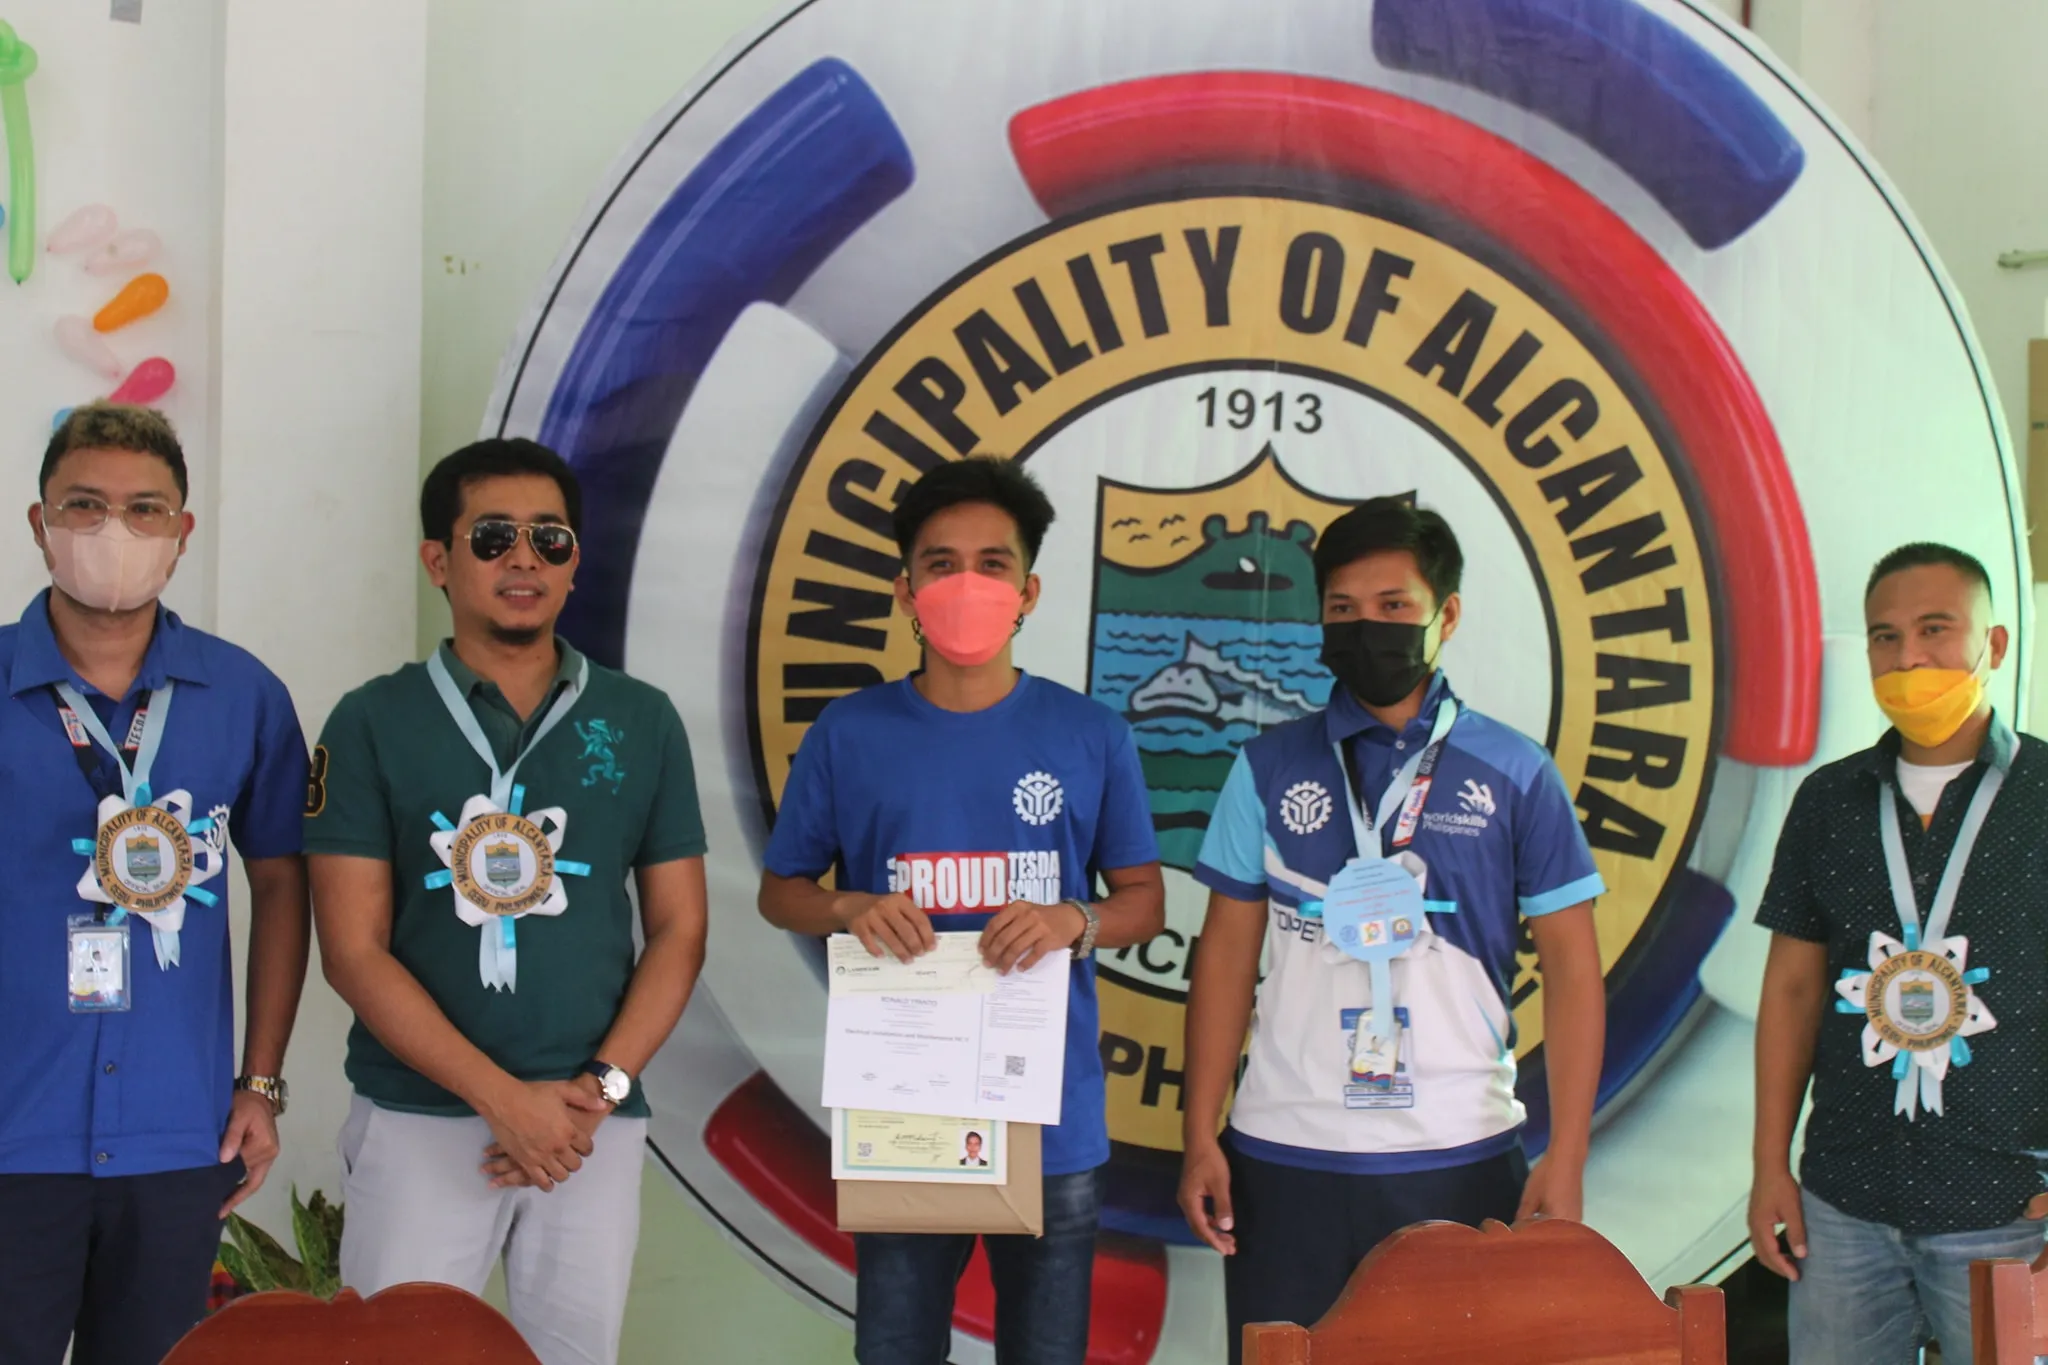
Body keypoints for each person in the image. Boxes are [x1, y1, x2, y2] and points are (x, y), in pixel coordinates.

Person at [306, 438, 709, 1365]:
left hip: (587, 1128)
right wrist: (501, 1099)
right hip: (420, 1116)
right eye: (493, 537)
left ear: (574, 562)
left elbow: (680, 928)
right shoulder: (370, 720)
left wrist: (597, 1091)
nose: (523, 558)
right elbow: (353, 950)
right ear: (438, 561)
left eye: (549, 538)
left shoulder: (642, 719)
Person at [1177, 497, 1607, 1362]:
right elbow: (1223, 959)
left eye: (1393, 605)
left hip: (1459, 1151)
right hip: (1283, 1152)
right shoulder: (1266, 766)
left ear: (1447, 614)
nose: (1366, 626)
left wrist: (1566, 1154)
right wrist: (1198, 1134)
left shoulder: (1516, 770)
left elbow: (1572, 969)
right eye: (1343, 608)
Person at [758, 456, 1165, 1365]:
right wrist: (850, 904)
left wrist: (1074, 921)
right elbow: (780, 893)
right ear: (906, 591)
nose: (967, 583)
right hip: (907, 1109)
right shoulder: (849, 731)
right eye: (942, 564)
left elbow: (1145, 902)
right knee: (897, 1351)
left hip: (1052, 1117)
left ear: (1029, 590)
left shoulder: (1091, 733)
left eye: (993, 563)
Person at [0, 404, 312, 1365]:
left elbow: (283, 886)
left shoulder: (244, 695)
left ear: (182, 532)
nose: (114, 531)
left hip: (177, 1140)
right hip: (12, 1130)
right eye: (84, 505)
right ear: (39, 522)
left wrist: (260, 1080)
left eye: (145, 509)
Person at [1749, 543, 2048, 1365]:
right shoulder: (1828, 800)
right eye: (1886, 636)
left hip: (2009, 1207)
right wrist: (1769, 1163)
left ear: (1993, 645)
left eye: (1935, 629)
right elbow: (1792, 991)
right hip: (1843, 1204)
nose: (1909, 656)